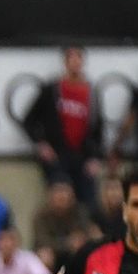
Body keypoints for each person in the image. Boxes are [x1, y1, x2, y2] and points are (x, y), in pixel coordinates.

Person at [22, 46, 104, 205]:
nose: (75, 63)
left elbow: (98, 128)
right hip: (57, 157)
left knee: (88, 204)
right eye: (71, 59)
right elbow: (29, 120)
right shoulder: (51, 90)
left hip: (83, 157)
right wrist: (41, 144)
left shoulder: (91, 92)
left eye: (78, 58)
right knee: (60, 202)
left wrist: (96, 157)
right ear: (65, 62)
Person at [30, 179, 93, 271]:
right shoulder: (40, 215)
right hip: (52, 253)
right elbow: (42, 241)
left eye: (64, 192)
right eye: (58, 192)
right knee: (45, 256)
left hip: (73, 253)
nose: (61, 196)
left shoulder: (80, 212)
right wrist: (67, 243)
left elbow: (84, 235)